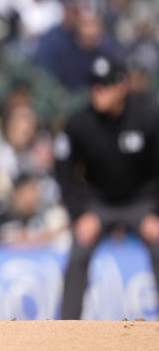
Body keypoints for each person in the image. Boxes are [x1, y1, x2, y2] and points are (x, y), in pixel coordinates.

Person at [55, 56, 159, 319]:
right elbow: (65, 174)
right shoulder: (79, 123)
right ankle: (68, 327)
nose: (97, 91)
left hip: (142, 201)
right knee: (78, 250)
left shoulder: (147, 118)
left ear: (121, 86)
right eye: (94, 84)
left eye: (105, 85)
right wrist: (80, 213)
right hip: (97, 202)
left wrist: (155, 213)